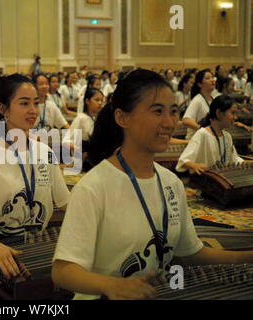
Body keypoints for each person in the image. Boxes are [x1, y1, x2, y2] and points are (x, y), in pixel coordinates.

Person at [51, 69, 253, 300]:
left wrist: (245, 257)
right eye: (157, 111)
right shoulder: (93, 187)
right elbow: (63, 272)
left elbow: (188, 253)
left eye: (173, 111)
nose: (169, 122)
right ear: (122, 118)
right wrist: (110, 285)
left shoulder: (171, 182)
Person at [0, 74, 70, 279]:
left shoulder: (44, 151)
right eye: (24, 103)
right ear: (3, 109)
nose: (33, 111)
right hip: (1, 243)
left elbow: (65, 202)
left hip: (39, 244)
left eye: (36, 103)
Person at [176, 95, 246, 174]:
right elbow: (183, 161)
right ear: (219, 113)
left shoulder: (227, 136)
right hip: (205, 181)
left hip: (223, 177)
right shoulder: (202, 134)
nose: (235, 117)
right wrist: (195, 165)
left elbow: (235, 159)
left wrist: (247, 164)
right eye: (232, 113)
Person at [65, 88, 104, 155]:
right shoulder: (81, 118)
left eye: (101, 100)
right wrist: (81, 152)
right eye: (97, 100)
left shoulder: (97, 118)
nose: (100, 103)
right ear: (87, 101)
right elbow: (66, 142)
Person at [182, 69, 217, 140]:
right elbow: (186, 120)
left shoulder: (214, 98)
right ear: (199, 84)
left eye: (212, 77)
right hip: (197, 140)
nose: (212, 80)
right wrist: (201, 129)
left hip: (209, 138)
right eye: (207, 78)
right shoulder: (197, 100)